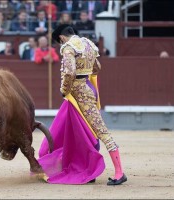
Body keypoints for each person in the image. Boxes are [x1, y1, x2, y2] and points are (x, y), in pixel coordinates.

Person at [38, 24, 127, 185]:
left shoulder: (68, 48)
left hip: (79, 95)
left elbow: (70, 72)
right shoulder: (88, 44)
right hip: (88, 88)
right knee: (81, 129)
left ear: (61, 38)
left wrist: (64, 90)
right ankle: (85, 165)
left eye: (59, 42)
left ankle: (119, 172)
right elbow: (96, 68)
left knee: (100, 130)